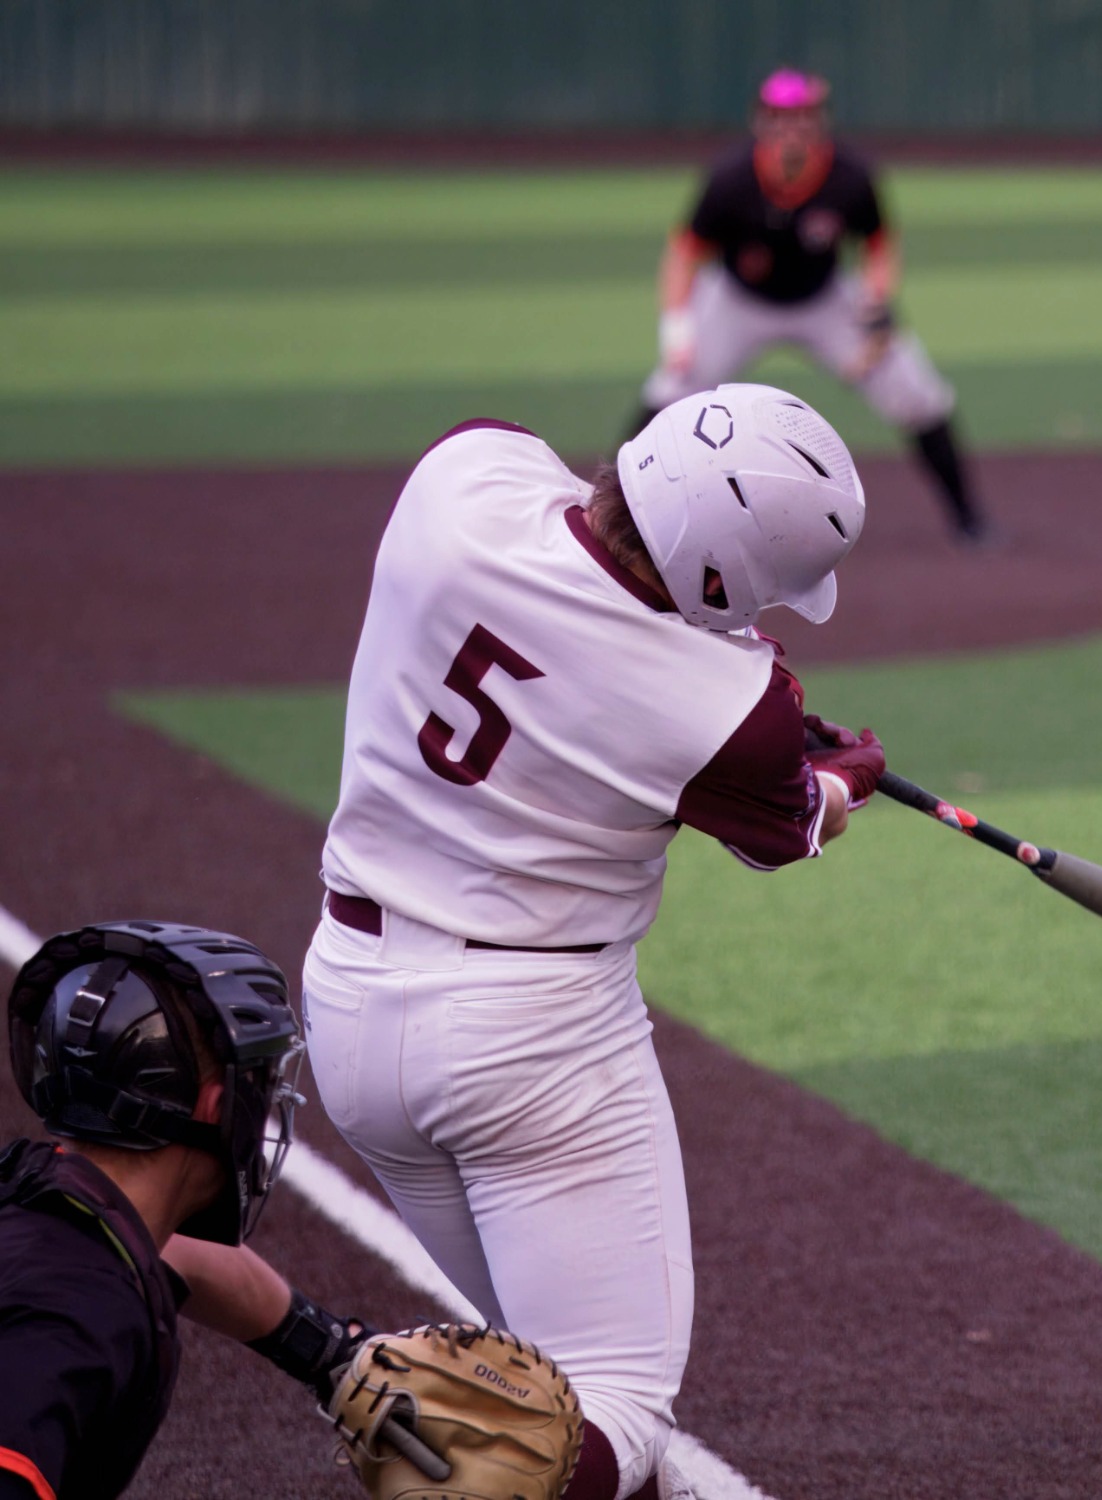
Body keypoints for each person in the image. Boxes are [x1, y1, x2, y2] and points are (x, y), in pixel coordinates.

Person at [303, 383, 887, 1500]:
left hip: (350, 1011)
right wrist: (841, 770)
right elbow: (790, 826)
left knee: (530, 1387)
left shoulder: (457, 482)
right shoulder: (734, 706)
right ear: (718, 572)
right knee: (601, 1417)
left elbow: (579, 542)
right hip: (531, 1051)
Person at [2, 921, 375, 1500]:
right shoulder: (74, 1318)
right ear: (218, 1107)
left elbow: (178, 1254)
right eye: (261, 1085)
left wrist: (331, 1354)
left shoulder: (40, 1198)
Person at [631, 68, 995, 546]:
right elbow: (684, 253)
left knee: (918, 394)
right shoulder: (730, 179)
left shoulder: (850, 176)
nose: (792, 129)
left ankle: (969, 520)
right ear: (759, 122)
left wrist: (877, 302)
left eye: (803, 117)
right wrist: (678, 330)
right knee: (669, 392)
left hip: (824, 301)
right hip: (738, 302)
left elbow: (879, 243)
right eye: (780, 118)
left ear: (821, 121)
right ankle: (620, 511)